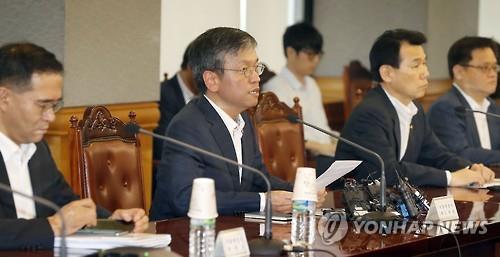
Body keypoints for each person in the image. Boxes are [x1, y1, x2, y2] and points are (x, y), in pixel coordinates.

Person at [150, 27, 326, 220]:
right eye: (244, 70)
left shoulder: (243, 119)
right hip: (180, 236)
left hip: (229, 232)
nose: (256, 78)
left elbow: (259, 179)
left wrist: (302, 191)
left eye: (256, 68)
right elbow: (184, 198)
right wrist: (262, 201)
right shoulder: (188, 126)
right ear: (212, 80)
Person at [0, 42, 149, 250]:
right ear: (4, 98)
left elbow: (65, 202)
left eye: (54, 105)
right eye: (42, 105)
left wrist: (112, 220)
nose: (50, 117)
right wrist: (53, 225)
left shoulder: (37, 150)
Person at [335, 29, 495, 187]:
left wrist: (469, 168)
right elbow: (387, 172)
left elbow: (437, 155)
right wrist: (450, 178)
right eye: (416, 65)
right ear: (387, 73)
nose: (425, 73)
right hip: (356, 206)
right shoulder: (371, 113)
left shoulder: (414, 109)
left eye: (424, 63)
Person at [262, 22, 336, 156]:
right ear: (290, 52)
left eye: (319, 55)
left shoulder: (312, 84)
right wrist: (321, 147)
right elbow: (283, 135)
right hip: (304, 157)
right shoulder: (274, 89)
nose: (316, 60)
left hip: (325, 151)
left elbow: (322, 127)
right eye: (311, 55)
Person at [428, 36, 500, 164]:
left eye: (495, 67)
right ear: (459, 72)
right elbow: (461, 154)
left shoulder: (493, 108)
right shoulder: (446, 108)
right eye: (485, 67)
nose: (493, 74)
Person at [152, 42, 198, 196]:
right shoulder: (162, 95)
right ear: (191, 68)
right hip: (174, 182)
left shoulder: (207, 97)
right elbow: (162, 146)